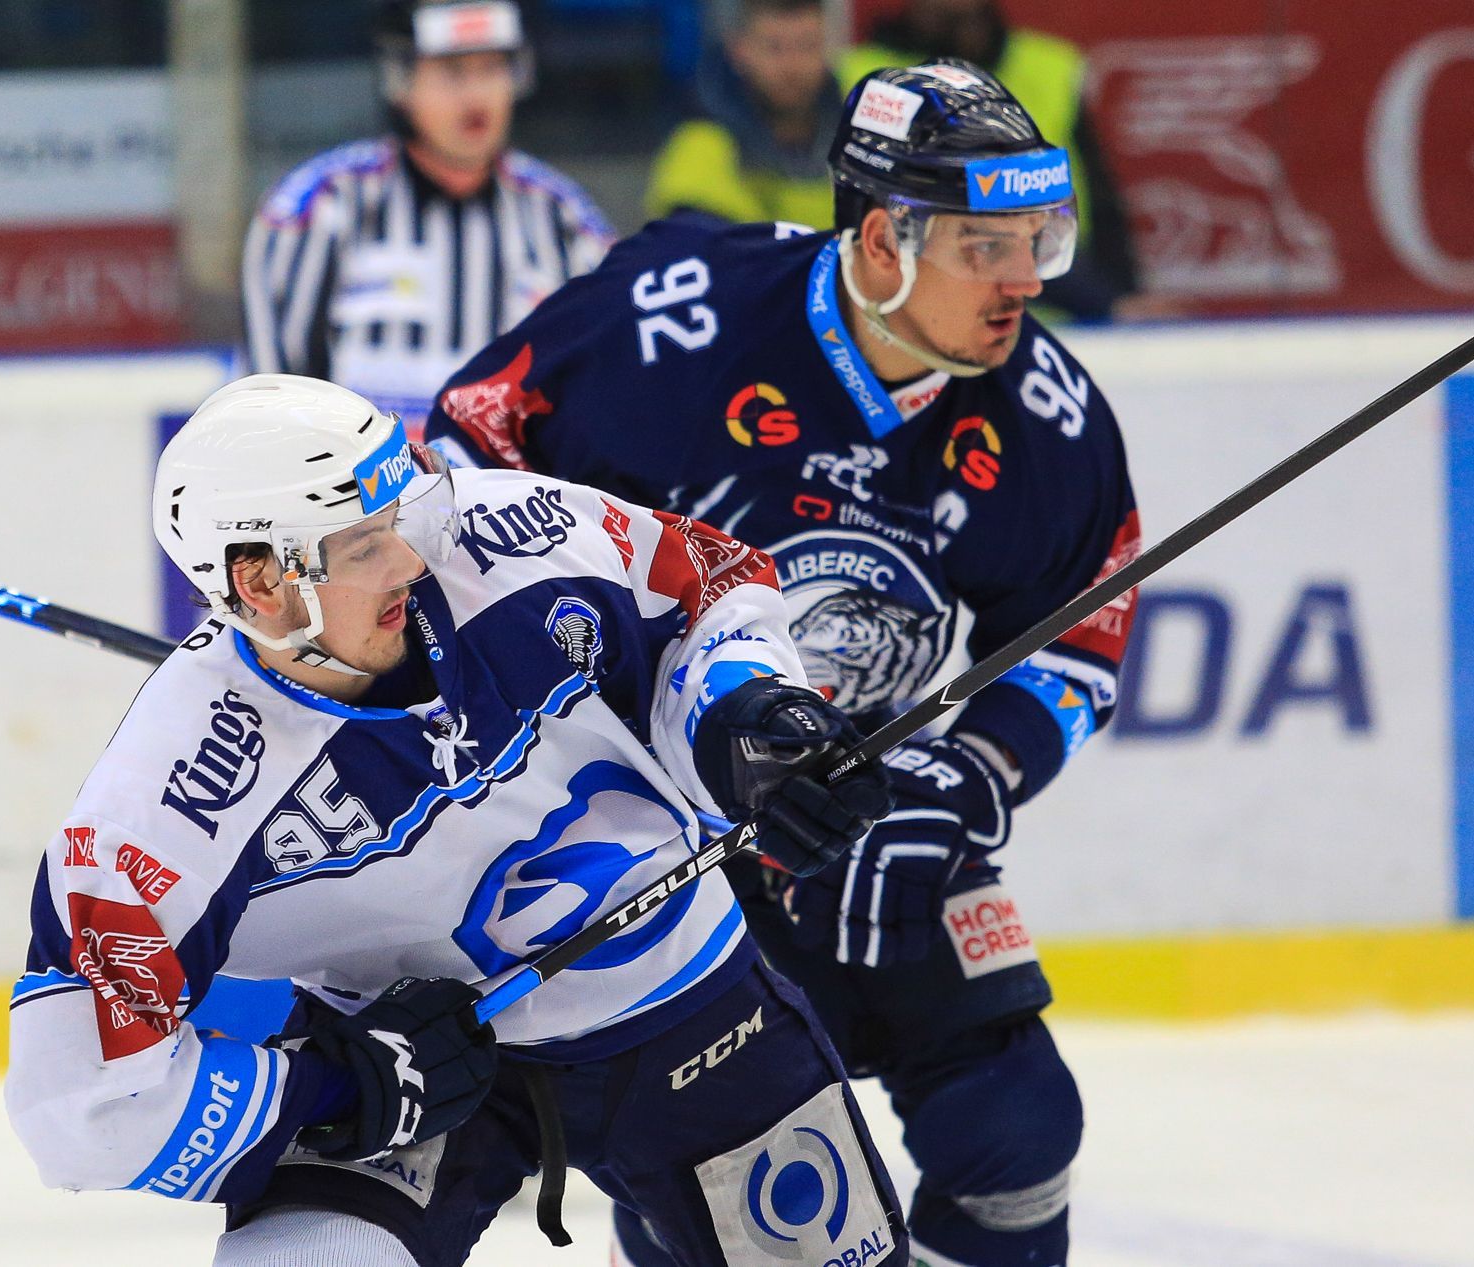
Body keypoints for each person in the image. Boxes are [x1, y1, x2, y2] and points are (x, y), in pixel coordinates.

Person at [426, 61, 1140, 1267]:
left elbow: (1083, 637)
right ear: (880, 240)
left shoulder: (1045, 415)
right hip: (660, 820)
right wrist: (533, 685)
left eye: (1041, 239)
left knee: (1015, 1130)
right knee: (733, 1195)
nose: (1024, 280)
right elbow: (464, 447)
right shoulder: (675, 322)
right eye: (986, 247)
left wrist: (963, 784)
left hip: (869, 815)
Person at [3, 373, 910, 1267]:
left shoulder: (503, 536)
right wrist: (341, 1083)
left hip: (686, 997)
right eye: (363, 545)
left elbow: (708, 588)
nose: (407, 560)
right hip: (423, 1057)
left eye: (395, 519)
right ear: (264, 582)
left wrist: (747, 721)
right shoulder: (169, 797)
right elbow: (80, 1100)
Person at [241, 0, 615, 437]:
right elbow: (267, 410)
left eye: (493, 68)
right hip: (362, 502)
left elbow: (606, 399)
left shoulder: (566, 223)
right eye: (453, 72)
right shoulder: (317, 211)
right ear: (400, 80)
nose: (477, 96)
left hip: (520, 504)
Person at [844, 0, 1141, 322]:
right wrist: (1102, 302)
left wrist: (1121, 302)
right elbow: (972, 229)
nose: (964, 15)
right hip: (926, 317)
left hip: (1064, 319)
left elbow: (1101, 201)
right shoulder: (872, 81)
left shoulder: (1050, 65)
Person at [644, 0, 844, 229]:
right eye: (774, 48)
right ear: (739, 51)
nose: (792, 66)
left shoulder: (862, 120)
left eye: (807, 46)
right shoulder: (701, 144)